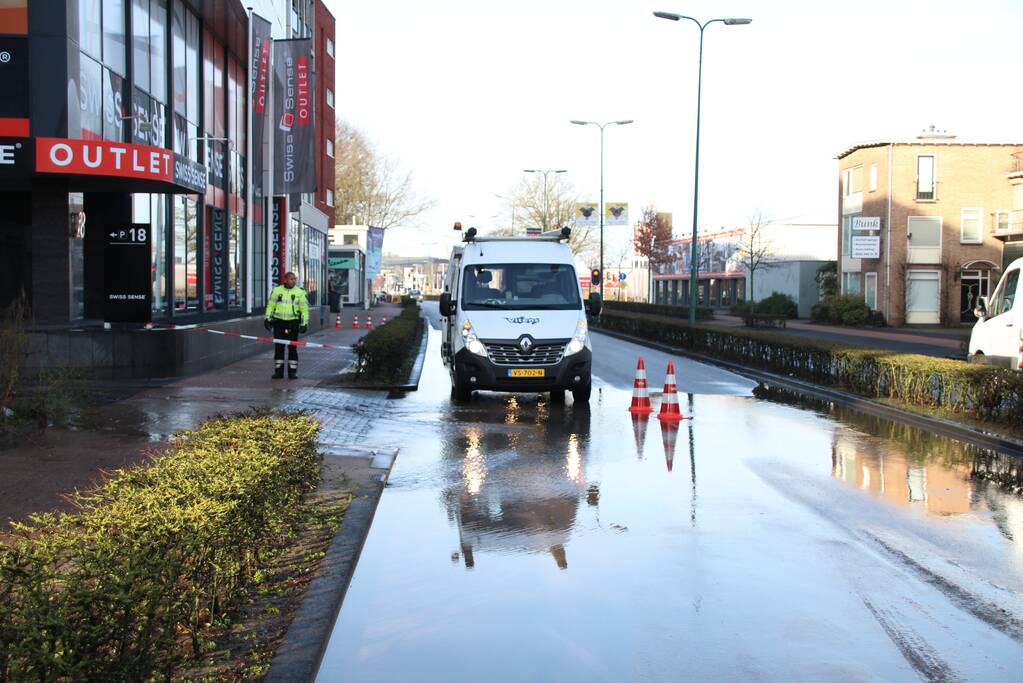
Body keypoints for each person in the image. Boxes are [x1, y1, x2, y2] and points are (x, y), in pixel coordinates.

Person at [264, 272, 309, 379]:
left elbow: (304, 310)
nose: (294, 281)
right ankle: (278, 372)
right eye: (291, 279)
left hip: (293, 323)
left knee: (292, 348)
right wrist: (267, 319)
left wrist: (304, 323)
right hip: (279, 323)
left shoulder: (300, 292)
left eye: (294, 279)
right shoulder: (277, 291)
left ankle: (292, 372)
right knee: (279, 348)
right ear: (285, 280)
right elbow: (270, 306)